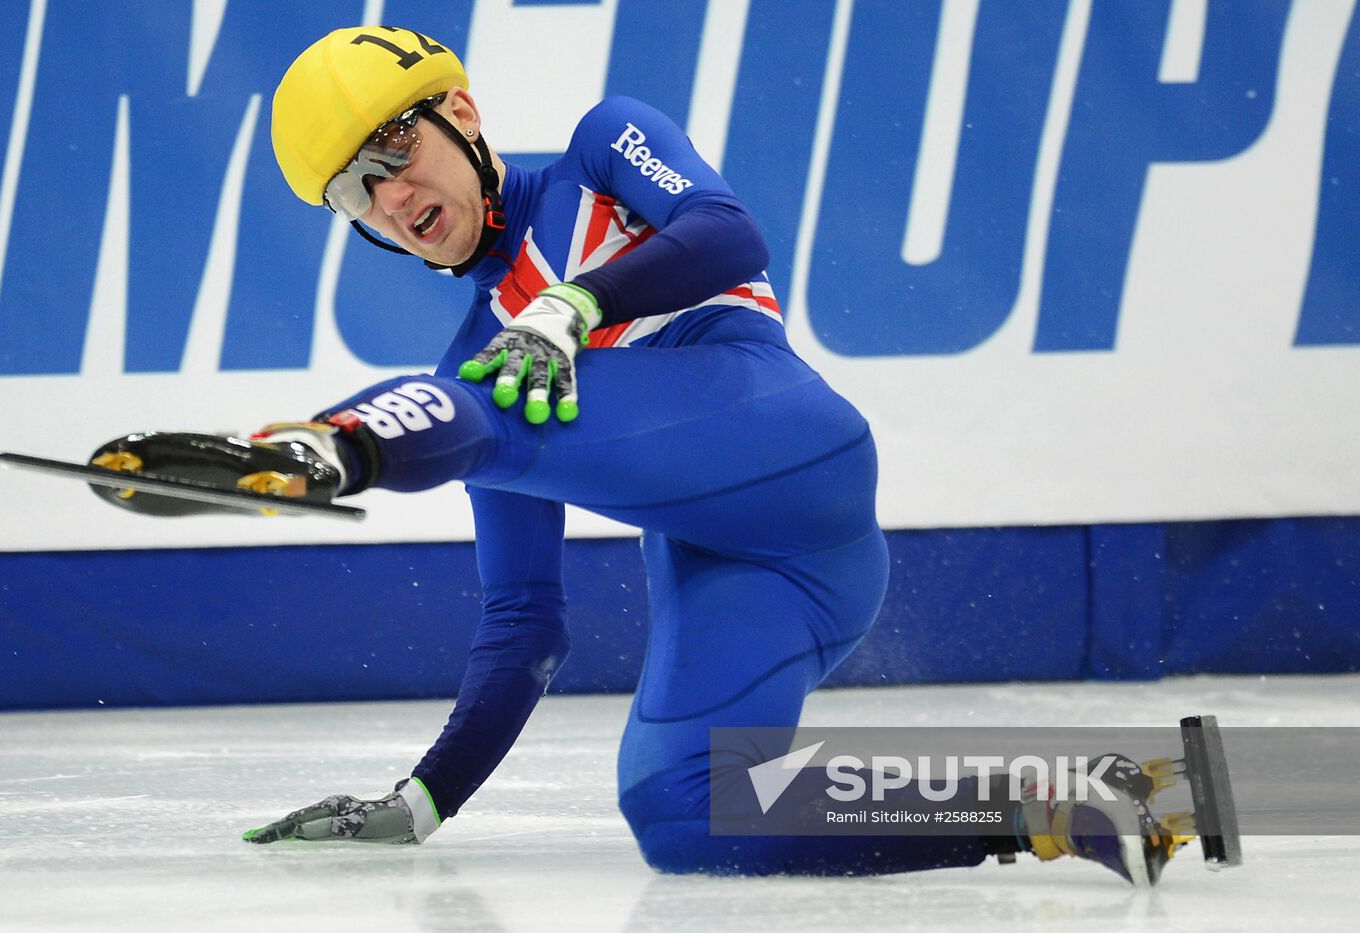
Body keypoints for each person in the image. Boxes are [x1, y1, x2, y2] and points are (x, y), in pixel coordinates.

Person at [89, 25, 1186, 885]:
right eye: (354, 193)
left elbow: (726, 231)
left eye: (393, 150)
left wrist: (574, 304)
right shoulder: (474, 370)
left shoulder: (598, 151)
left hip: (793, 447)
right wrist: (421, 801)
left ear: (460, 114)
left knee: (489, 402)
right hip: (772, 579)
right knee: (678, 810)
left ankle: (322, 450)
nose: (391, 198)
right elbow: (526, 622)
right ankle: (1084, 797)